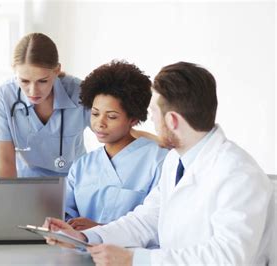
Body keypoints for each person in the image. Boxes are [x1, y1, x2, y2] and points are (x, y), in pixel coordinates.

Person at [44, 62, 274, 265]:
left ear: (172, 120)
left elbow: (229, 257)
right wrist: (85, 237)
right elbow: (147, 219)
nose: (150, 120)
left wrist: (136, 260)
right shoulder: (176, 160)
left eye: (153, 112)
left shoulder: (238, 174)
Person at [65, 60, 168, 230]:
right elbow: (66, 216)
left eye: (111, 117)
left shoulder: (158, 161)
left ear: (133, 119)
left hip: (132, 254)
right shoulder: (82, 166)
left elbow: (160, 223)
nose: (99, 123)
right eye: (95, 114)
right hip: (79, 253)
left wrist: (101, 229)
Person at [0, 32, 90, 177]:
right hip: (27, 184)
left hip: (75, 182)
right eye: (25, 81)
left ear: (56, 70)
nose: (33, 91)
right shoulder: (5, 95)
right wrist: (9, 198)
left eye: (42, 81)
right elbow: (6, 160)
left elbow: (112, 132)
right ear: (14, 71)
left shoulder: (80, 92)